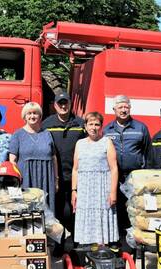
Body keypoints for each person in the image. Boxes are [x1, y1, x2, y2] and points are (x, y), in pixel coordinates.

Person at [103, 95, 151, 248]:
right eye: (120, 107)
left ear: (130, 108)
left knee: (135, 209)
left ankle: (135, 243)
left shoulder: (140, 128)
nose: (123, 110)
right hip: (114, 176)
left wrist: (146, 175)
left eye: (126, 107)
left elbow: (148, 152)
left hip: (134, 176)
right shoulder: (107, 130)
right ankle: (115, 240)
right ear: (114, 110)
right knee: (115, 208)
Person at [41, 92, 86, 235]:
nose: (63, 106)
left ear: (70, 104)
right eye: (60, 103)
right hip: (56, 176)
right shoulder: (46, 124)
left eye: (65, 102)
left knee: (76, 210)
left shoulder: (80, 123)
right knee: (58, 211)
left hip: (76, 175)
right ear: (55, 105)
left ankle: (76, 242)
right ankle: (59, 243)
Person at [72, 112, 119, 245]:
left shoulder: (107, 142)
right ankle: (87, 251)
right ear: (85, 126)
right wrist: (74, 191)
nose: (94, 127)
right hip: (85, 189)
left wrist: (113, 192)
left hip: (101, 188)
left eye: (97, 124)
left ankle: (102, 250)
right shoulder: (79, 143)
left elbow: (114, 168)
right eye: (90, 124)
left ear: (101, 126)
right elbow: (75, 169)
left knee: (101, 221)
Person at [9, 102, 59, 213]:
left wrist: (56, 180)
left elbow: (54, 158)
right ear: (24, 116)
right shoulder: (17, 135)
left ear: (40, 116)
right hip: (26, 180)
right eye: (29, 113)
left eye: (35, 113)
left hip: (46, 180)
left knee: (46, 213)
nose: (32, 116)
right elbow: (12, 161)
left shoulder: (47, 134)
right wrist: (15, 183)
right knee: (26, 213)